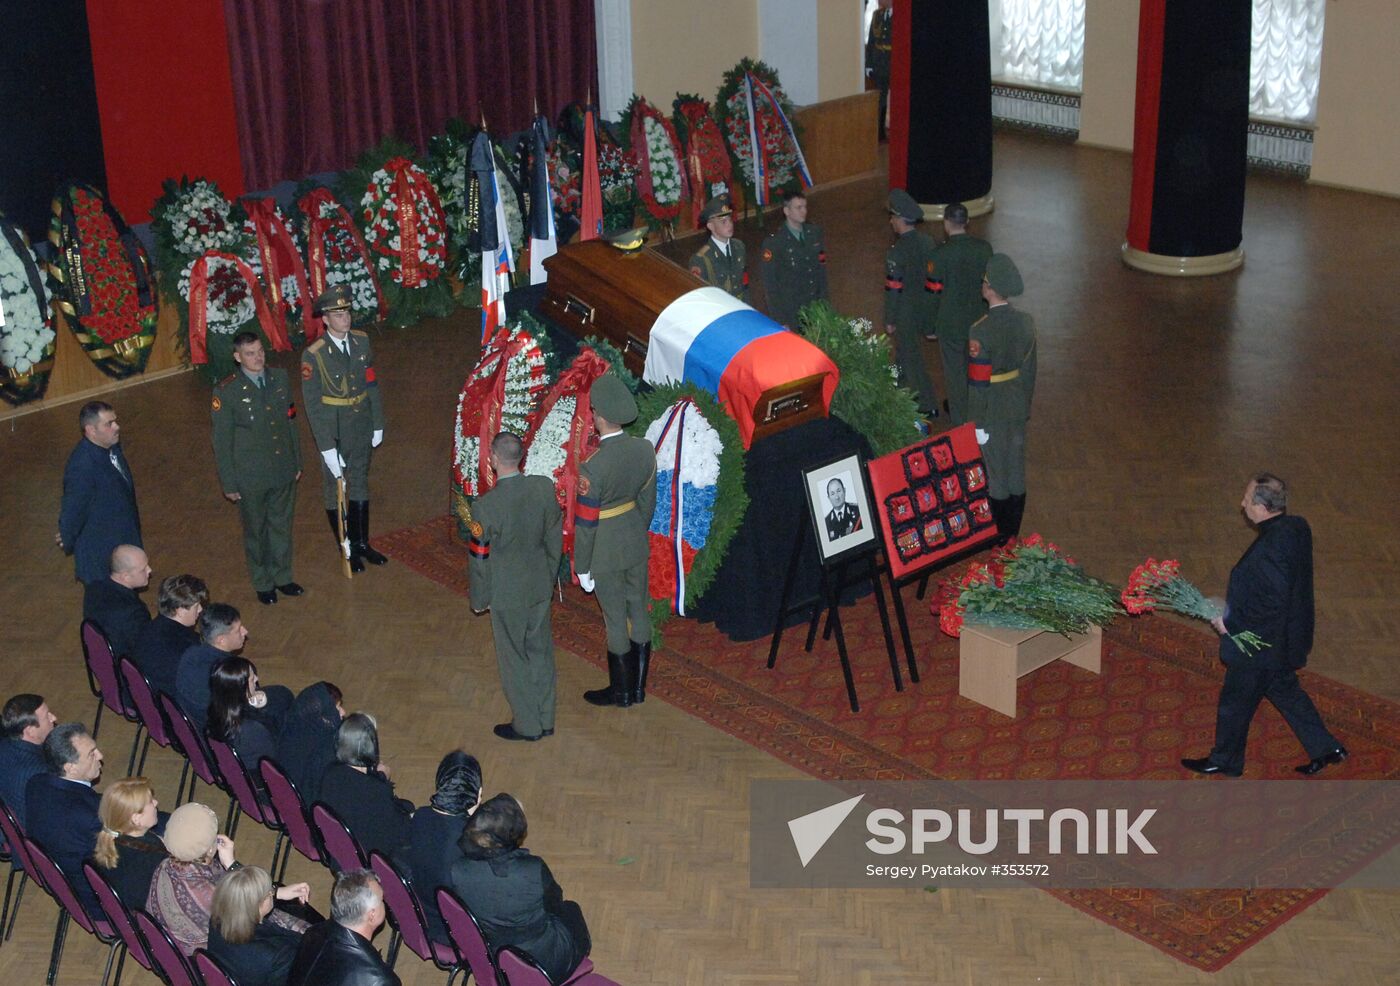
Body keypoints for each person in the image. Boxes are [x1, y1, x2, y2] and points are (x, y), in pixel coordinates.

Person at [1182, 475, 1348, 778]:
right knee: (1285, 690)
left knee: (1234, 703)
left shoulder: (1268, 551)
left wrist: (1227, 623)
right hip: (1287, 639)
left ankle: (1225, 760)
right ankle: (1327, 748)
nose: (1242, 503)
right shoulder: (1297, 527)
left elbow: (1271, 603)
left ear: (1260, 507)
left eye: (1247, 498)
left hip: (1261, 647)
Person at [469, 432, 562, 741]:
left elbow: (479, 559)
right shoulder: (542, 488)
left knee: (513, 657)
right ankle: (546, 718)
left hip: (507, 592)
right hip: (538, 584)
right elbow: (553, 538)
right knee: (540, 650)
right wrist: (548, 577)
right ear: (520, 458)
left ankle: (527, 724)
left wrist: (480, 598)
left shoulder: (485, 507)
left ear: (494, 460)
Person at [574, 374, 657, 709]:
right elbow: (648, 502)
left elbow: (586, 523)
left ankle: (620, 692)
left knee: (614, 618)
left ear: (601, 419)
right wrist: (635, 529)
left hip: (605, 550)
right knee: (638, 609)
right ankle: (638, 688)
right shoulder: (644, 449)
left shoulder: (593, 467)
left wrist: (582, 566)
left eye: (594, 412)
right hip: (635, 540)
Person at [448, 794, 590, 984]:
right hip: (543, 963)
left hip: (494, 954)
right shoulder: (532, 869)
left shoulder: (458, 869)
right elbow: (555, 904)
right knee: (572, 909)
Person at [213, 331, 305, 605]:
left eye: (260, 351)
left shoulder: (279, 378)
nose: (258, 358)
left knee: (281, 526)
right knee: (256, 532)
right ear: (237, 357)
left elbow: (290, 421)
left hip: (282, 468)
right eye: (250, 354)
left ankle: (283, 577)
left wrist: (297, 461)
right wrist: (229, 483)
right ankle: (263, 582)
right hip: (250, 476)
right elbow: (221, 440)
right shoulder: (226, 391)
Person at [147, 801, 310, 956]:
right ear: (211, 849)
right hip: (223, 951)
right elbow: (256, 911)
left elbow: (238, 891)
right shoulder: (212, 897)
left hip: (189, 949)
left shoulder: (166, 865)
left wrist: (276, 891)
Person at [301, 284, 387, 574]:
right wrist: (326, 448)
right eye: (337, 315)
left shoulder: (362, 342)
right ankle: (346, 545)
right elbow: (313, 406)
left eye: (347, 312)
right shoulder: (314, 355)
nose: (345, 319)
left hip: (361, 422)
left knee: (360, 481)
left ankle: (362, 543)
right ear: (325, 319)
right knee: (334, 489)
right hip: (334, 429)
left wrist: (377, 423)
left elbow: (371, 384)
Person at [966, 254, 1037, 542]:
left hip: (992, 408)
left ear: (991, 288)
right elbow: (1030, 371)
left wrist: (976, 422)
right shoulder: (1026, 322)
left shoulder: (980, 330)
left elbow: (978, 382)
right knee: (1016, 467)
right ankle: (1013, 532)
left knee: (995, 472)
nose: (983, 285)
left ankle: (997, 535)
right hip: (1016, 403)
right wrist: (1024, 405)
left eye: (985, 281)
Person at [57, 401, 142, 584]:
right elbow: (73, 508)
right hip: (102, 555)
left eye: (115, 421)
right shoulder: (82, 466)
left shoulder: (112, 447)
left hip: (121, 540)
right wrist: (68, 536)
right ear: (91, 430)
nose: (117, 427)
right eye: (109, 424)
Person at [407, 751, 482, 944]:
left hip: (423, 914)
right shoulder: (470, 842)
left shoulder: (420, 816)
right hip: (455, 931)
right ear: (478, 793)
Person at [318, 713, 413, 863]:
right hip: (370, 856)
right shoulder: (376, 791)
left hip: (340, 852)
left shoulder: (330, 772)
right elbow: (395, 835)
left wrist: (380, 777)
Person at [929, 202, 993, 425]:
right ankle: (980, 417)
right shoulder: (984, 249)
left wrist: (930, 326)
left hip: (950, 326)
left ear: (946, 223)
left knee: (955, 377)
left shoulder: (939, 255)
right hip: (980, 322)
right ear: (967, 222)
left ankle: (960, 424)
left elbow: (933, 295)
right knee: (978, 372)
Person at [288, 868, 399, 986]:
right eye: (382, 900)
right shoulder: (380, 980)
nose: (384, 904)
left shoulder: (313, 932)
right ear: (372, 915)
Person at [883, 189, 941, 418]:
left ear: (900, 220)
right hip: (925, 307)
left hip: (905, 312)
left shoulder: (896, 252)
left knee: (911, 358)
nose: (891, 222)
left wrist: (889, 319)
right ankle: (897, 393)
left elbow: (893, 290)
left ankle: (927, 403)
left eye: (893, 218)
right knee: (902, 356)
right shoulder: (928, 242)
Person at [208, 865, 313, 986]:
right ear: (259, 904)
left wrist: (278, 893)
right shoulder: (280, 955)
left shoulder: (217, 920)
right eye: (270, 892)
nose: (272, 894)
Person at [25, 722, 103, 881]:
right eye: (92, 754)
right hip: (91, 890)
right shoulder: (91, 817)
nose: (100, 756)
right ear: (71, 768)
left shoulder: (36, 783)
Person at [207, 656, 294, 778]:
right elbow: (276, 757)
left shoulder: (216, 709)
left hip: (245, 767)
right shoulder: (251, 729)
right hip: (266, 777)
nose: (257, 679)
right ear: (241, 688)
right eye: (253, 679)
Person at [92, 777, 168, 908]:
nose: (156, 803)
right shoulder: (152, 859)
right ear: (137, 819)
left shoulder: (110, 841)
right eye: (150, 802)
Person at [759, 190, 828, 329]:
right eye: (798, 207)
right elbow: (770, 286)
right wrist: (780, 319)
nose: (804, 211)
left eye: (805, 207)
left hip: (815, 306)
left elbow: (821, 271)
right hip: (793, 311)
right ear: (786, 211)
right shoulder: (774, 243)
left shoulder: (814, 233)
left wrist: (825, 304)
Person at [134, 574, 208, 702]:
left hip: (148, 698)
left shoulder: (149, 628)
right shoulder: (187, 650)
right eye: (196, 606)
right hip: (174, 707)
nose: (201, 609)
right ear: (179, 610)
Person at [175, 603, 248, 730]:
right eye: (238, 630)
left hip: (190, 726)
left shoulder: (191, 653)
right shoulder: (228, 674)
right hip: (218, 731)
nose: (245, 632)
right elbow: (239, 714)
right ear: (221, 640)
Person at [274, 681, 344, 804]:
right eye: (337, 708)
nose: (343, 712)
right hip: (307, 804)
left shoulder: (294, 725)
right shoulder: (325, 748)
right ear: (323, 714)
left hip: (285, 795)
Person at [82, 544, 152, 659]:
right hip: (124, 668)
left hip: (99, 660)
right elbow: (146, 649)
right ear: (126, 577)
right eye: (143, 569)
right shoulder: (133, 612)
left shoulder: (93, 588)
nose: (150, 570)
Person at [0, 694, 57, 830]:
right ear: (30, 731)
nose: (54, 718)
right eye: (47, 716)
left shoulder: (5, 745)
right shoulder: (40, 774)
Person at [688, 196, 749, 301]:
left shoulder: (739, 246)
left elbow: (745, 285)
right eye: (723, 222)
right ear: (711, 226)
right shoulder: (701, 259)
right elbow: (701, 298)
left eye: (730, 219)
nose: (729, 224)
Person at [865, 0, 893, 141]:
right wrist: (868, 64)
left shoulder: (901, 16)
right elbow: (871, 41)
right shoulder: (877, 15)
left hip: (894, 63)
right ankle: (880, 132)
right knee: (880, 99)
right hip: (879, 64)